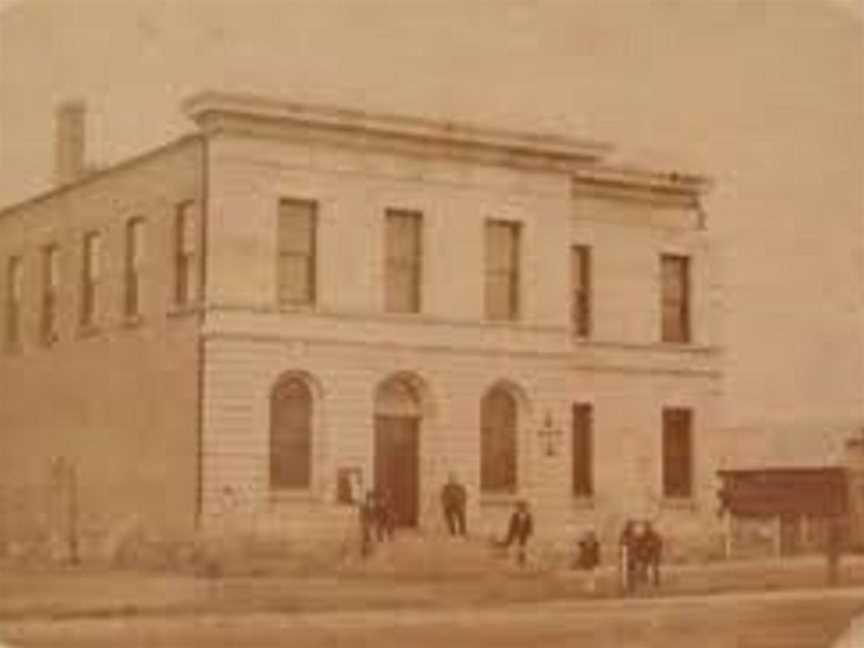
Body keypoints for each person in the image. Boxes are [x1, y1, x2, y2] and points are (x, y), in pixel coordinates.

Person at [499, 500, 534, 567]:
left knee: (522, 546)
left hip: (523, 534)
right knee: (510, 543)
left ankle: (521, 559)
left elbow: (530, 525)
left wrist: (530, 533)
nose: (522, 508)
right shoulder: (515, 515)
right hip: (515, 532)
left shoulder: (528, 515)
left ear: (526, 508)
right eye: (520, 507)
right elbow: (512, 525)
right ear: (518, 508)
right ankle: (506, 554)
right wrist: (511, 533)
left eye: (524, 507)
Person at [441, 472, 468, 537]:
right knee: (449, 515)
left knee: (461, 513)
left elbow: (464, 497)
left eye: (454, 478)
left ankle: (462, 532)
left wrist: (461, 503)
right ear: (449, 480)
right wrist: (446, 504)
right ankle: (452, 531)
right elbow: (443, 497)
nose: (453, 480)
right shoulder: (446, 488)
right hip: (449, 505)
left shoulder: (460, 488)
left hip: (458, 505)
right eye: (451, 478)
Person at [826, 514, 847, 586]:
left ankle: (833, 578)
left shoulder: (834, 529)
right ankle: (833, 578)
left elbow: (834, 538)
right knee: (834, 564)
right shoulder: (835, 528)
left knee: (833, 564)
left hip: (833, 547)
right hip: (833, 547)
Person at [618, 519, 637, 594]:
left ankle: (632, 587)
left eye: (632, 526)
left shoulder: (633, 535)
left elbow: (635, 545)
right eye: (630, 526)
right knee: (625, 573)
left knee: (632, 573)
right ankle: (625, 588)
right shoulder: (625, 534)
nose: (631, 528)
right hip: (626, 557)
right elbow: (622, 544)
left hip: (632, 557)